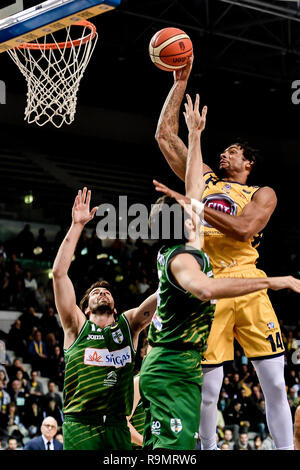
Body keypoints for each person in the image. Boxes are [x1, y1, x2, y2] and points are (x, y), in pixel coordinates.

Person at [142, 94, 300, 450]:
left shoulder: (262, 193)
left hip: (248, 284)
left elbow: (244, 230)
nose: (224, 155)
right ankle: (207, 449)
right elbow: (165, 137)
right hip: (210, 286)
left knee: (274, 382)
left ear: (249, 162)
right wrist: (178, 82)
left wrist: (197, 206)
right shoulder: (204, 180)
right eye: (223, 151)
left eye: (232, 152)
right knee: (209, 389)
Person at [52, 187, 157, 450]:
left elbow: (159, 297)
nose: (102, 292)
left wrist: (180, 270)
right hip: (80, 424)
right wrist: (77, 226)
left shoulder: (129, 323)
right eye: (96, 293)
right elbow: (59, 274)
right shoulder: (76, 326)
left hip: (117, 426)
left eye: (106, 292)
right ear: (86, 309)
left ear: (115, 307)